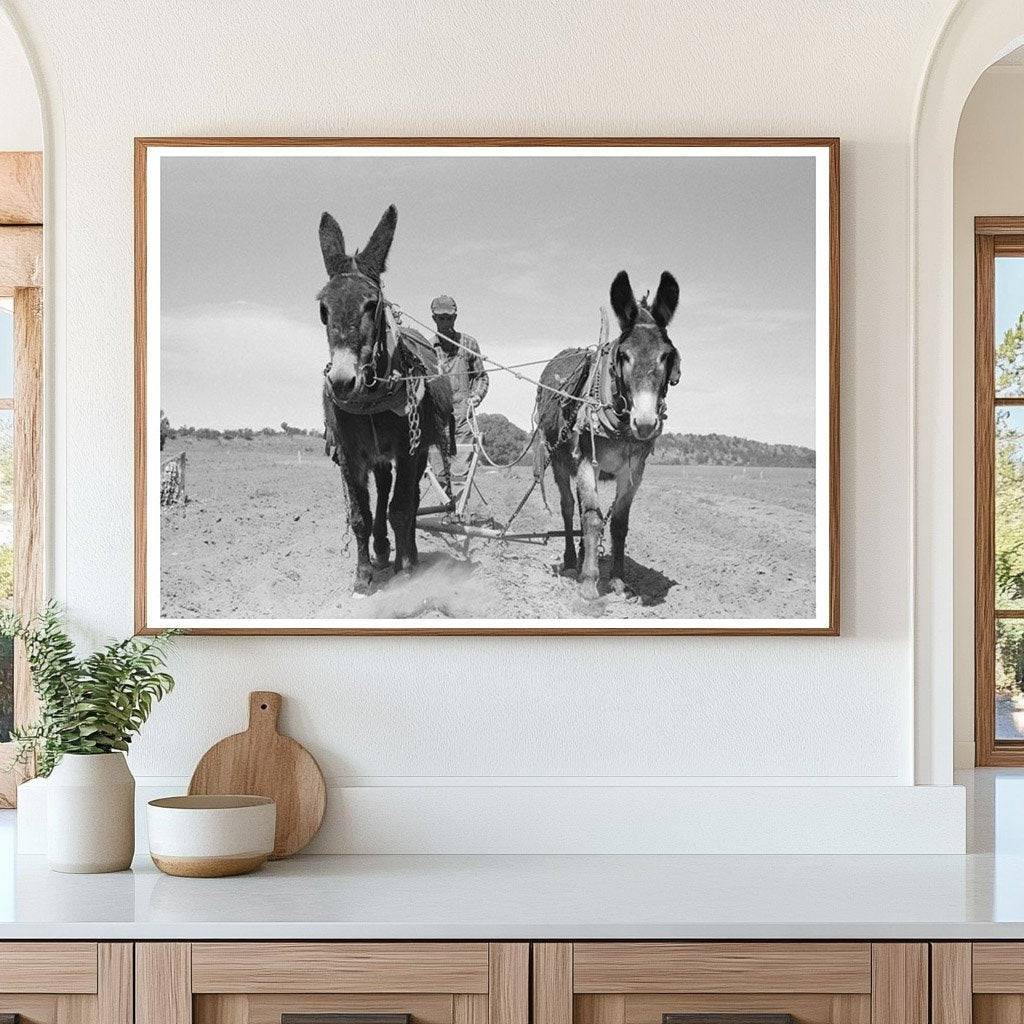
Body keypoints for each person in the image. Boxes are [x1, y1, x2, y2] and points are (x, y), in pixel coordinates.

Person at [430, 294, 489, 454]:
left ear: (455, 317)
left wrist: (476, 396)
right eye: (441, 318)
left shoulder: (469, 344)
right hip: (438, 417)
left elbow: (481, 377)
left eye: (449, 318)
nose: (445, 322)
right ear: (434, 318)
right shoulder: (428, 348)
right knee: (440, 471)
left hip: (464, 414)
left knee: (461, 469)